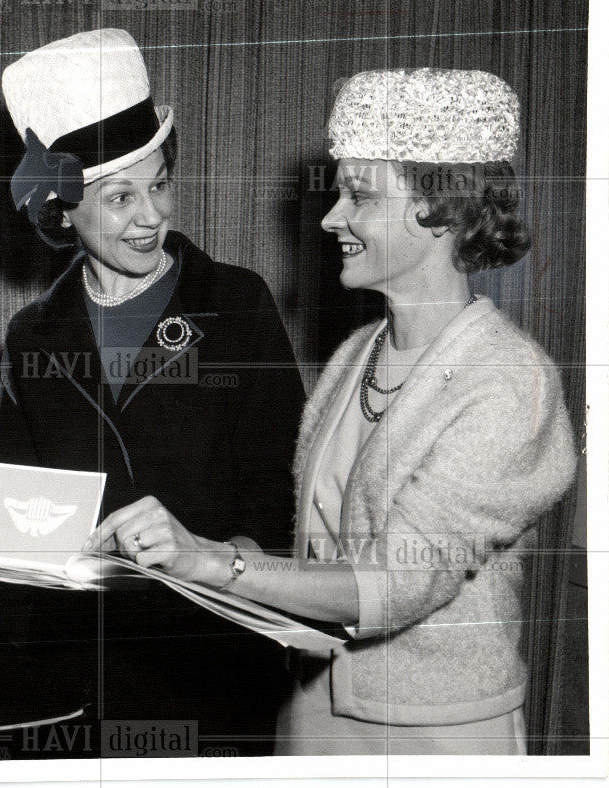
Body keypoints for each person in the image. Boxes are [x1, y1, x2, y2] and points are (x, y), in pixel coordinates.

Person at [94, 68, 577, 755]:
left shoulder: (508, 381)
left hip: (434, 737)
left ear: (440, 207)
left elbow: (395, 585)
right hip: (313, 713)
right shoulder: (356, 356)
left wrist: (206, 562)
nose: (329, 217)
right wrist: (195, 554)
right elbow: (309, 555)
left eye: (360, 195)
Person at [0, 28, 305, 754]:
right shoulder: (31, 334)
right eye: (120, 196)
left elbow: (282, 495)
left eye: (159, 183)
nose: (152, 215)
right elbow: (14, 515)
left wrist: (211, 560)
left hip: (214, 676)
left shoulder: (236, 303)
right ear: (62, 210)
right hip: (72, 693)